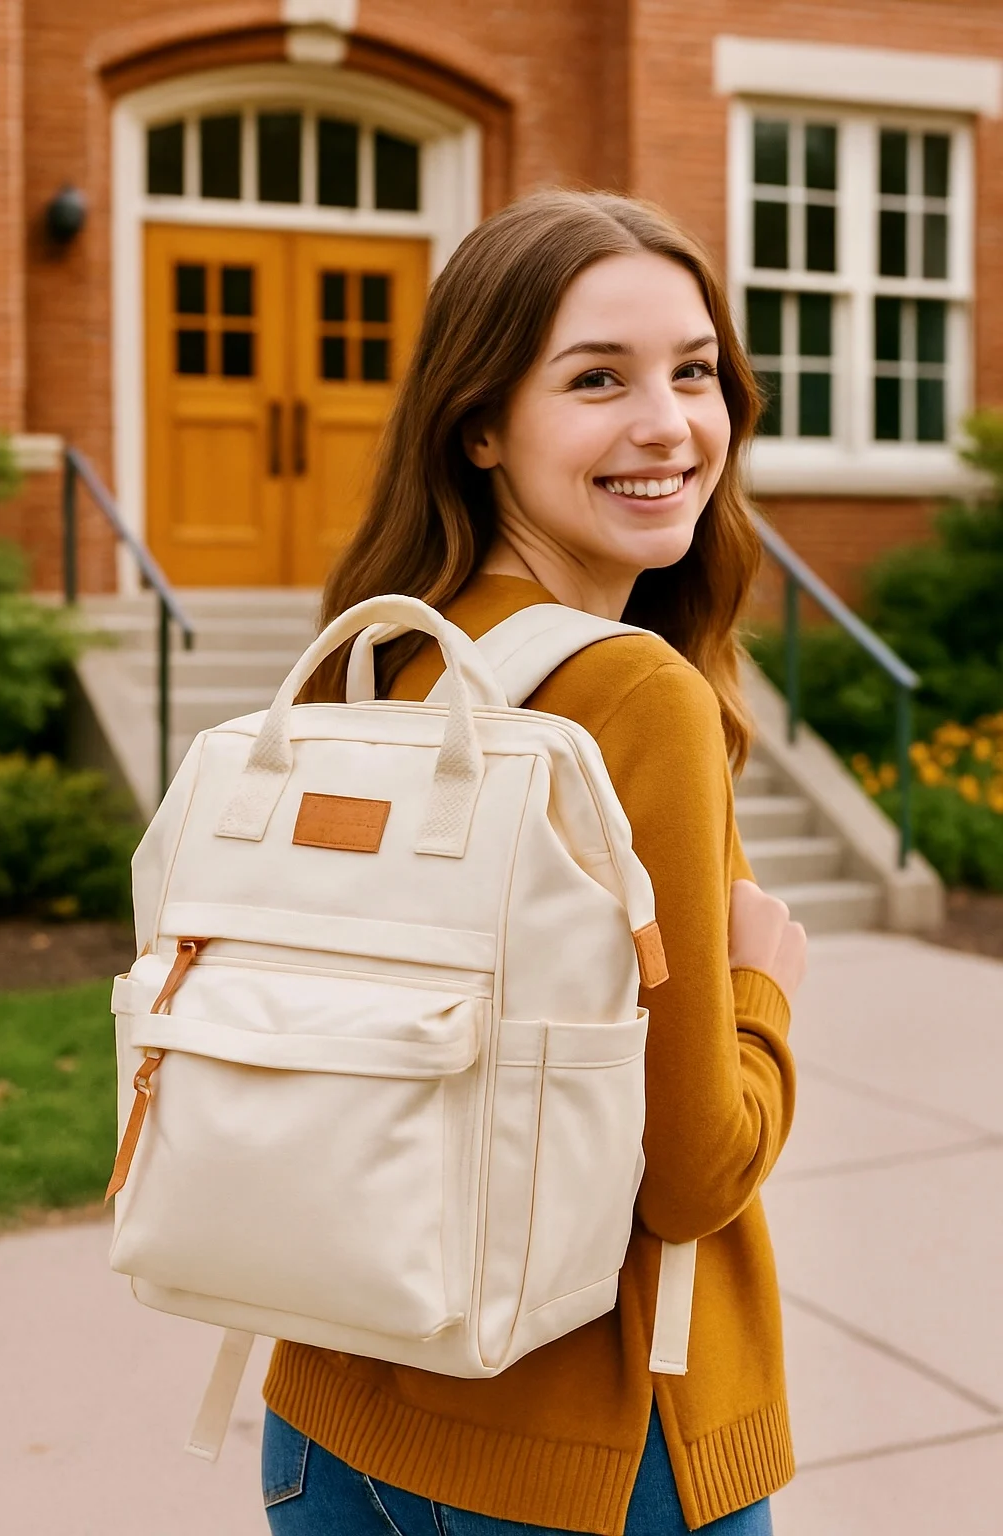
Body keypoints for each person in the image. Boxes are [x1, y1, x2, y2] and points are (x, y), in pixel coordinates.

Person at [261, 189, 806, 1536]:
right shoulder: (638, 698)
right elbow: (689, 1177)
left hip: (333, 1421)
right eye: (597, 380)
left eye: (695, 372)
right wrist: (761, 995)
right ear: (484, 424)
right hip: (586, 1455)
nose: (670, 425)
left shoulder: (377, 661)